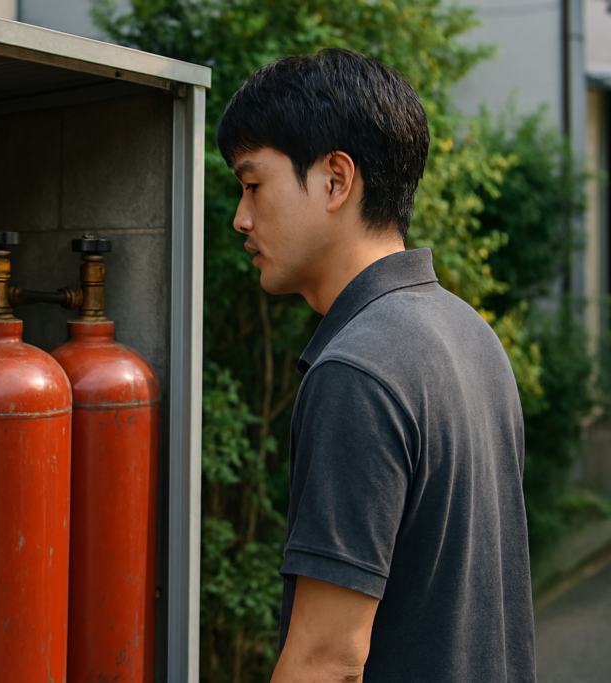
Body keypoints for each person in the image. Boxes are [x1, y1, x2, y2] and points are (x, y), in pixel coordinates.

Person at [216, 49, 536, 682]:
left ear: (336, 179)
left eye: (253, 185)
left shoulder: (358, 370)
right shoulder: (470, 333)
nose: (240, 218)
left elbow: (327, 659)